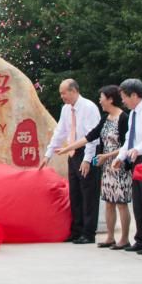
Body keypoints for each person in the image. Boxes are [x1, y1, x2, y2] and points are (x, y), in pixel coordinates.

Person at [59, 85, 132, 248]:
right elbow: (89, 136)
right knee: (108, 202)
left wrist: (105, 156)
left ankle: (124, 239)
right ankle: (110, 237)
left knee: (121, 202)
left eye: (102, 97)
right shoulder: (106, 119)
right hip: (106, 165)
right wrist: (67, 148)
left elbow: (127, 145)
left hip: (118, 164)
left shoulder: (124, 118)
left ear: (110, 99)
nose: (100, 100)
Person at [40, 79, 100, 244]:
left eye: (63, 93)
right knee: (75, 193)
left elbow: (92, 137)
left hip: (87, 153)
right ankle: (77, 230)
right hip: (72, 152)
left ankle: (88, 233)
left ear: (73, 91)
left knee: (88, 194)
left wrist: (87, 160)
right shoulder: (66, 109)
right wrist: (48, 154)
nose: (62, 96)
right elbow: (60, 131)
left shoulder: (89, 107)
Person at [113, 78, 142, 255]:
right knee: (139, 202)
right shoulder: (133, 114)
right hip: (135, 160)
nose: (122, 101)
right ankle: (141, 239)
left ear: (133, 95)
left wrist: (136, 150)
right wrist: (120, 157)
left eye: (124, 97)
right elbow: (128, 140)